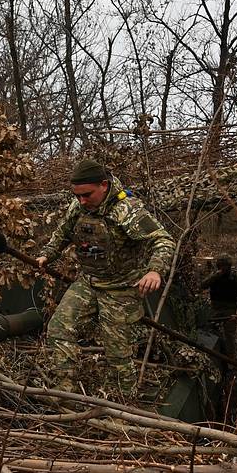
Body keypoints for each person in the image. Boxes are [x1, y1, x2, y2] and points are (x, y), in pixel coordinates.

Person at [35, 159, 177, 395]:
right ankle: (65, 391)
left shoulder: (126, 210)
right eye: (77, 195)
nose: (81, 200)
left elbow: (162, 240)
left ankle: (120, 406)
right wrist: (47, 255)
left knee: (117, 354)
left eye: (87, 194)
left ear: (104, 185)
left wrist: (155, 270)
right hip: (89, 282)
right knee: (59, 328)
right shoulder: (79, 206)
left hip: (121, 288)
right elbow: (63, 232)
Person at [201, 254, 237, 356]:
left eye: (226, 266)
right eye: (222, 266)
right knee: (210, 329)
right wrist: (215, 276)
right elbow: (203, 285)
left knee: (229, 334)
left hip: (230, 308)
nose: (224, 269)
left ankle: (231, 357)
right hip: (215, 307)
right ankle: (211, 354)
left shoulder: (236, 277)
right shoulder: (214, 276)